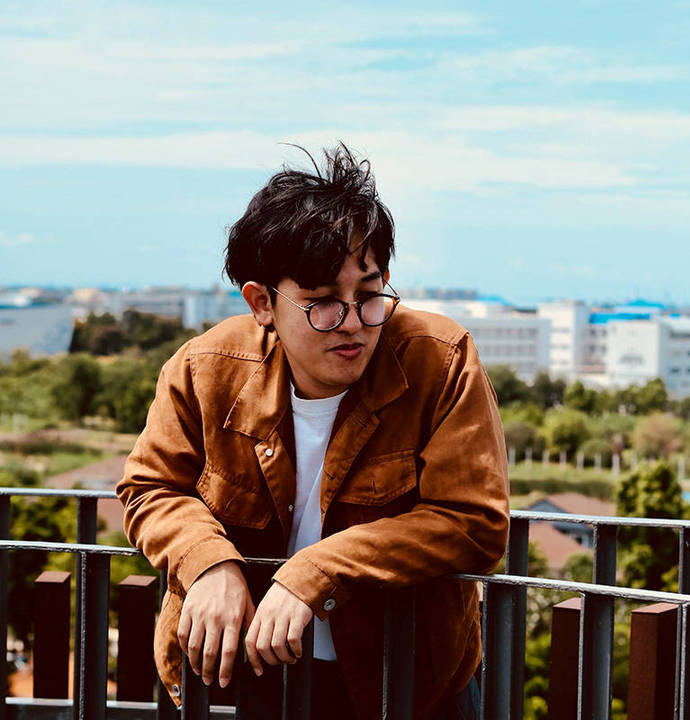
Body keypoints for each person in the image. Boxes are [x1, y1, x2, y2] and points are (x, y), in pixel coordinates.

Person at [116, 143, 509, 719]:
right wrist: (208, 561)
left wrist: (315, 572)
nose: (352, 323)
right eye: (322, 302)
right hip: (233, 678)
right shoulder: (205, 369)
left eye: (368, 295)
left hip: (402, 682)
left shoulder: (440, 360)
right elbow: (150, 487)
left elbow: (473, 521)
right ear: (262, 303)